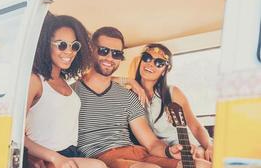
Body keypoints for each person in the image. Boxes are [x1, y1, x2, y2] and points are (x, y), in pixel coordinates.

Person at [74, 27, 184, 168]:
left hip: (140, 155)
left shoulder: (128, 96)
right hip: (104, 158)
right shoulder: (71, 93)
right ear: (90, 51)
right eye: (103, 51)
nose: (109, 58)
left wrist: (169, 151)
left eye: (116, 54)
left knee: (200, 165)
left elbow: (151, 143)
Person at [24, 12, 107, 168]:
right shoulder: (35, 81)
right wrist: (53, 158)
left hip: (70, 154)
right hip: (46, 158)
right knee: (98, 166)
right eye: (62, 45)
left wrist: (130, 81)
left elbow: (100, 77)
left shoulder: (67, 83)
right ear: (45, 44)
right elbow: (15, 135)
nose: (69, 51)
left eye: (74, 46)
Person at [121, 43, 213, 162]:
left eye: (159, 63)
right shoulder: (128, 97)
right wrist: (129, 81)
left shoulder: (173, 92)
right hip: (162, 153)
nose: (150, 64)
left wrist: (209, 146)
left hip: (189, 146)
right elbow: (103, 81)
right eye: (147, 58)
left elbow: (195, 127)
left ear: (164, 71)